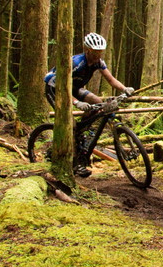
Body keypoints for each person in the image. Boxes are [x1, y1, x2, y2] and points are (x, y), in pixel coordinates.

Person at [43, 32, 135, 177]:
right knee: (70, 125)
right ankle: (74, 163)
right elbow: (63, 87)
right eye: (96, 52)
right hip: (56, 88)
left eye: (100, 52)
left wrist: (124, 89)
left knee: (98, 102)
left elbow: (110, 80)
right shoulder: (75, 63)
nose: (98, 54)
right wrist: (77, 103)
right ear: (88, 50)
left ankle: (82, 128)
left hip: (74, 87)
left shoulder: (98, 62)